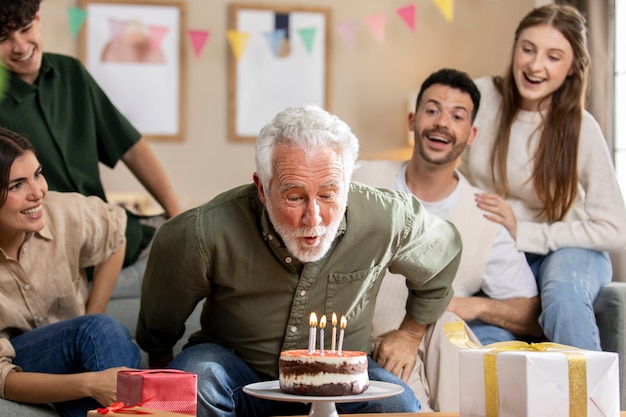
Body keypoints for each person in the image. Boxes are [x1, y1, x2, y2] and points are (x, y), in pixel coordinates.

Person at [136, 104, 463, 417]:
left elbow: (444, 250)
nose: (314, 217)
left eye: (328, 194)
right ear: (262, 189)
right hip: (236, 368)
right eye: (294, 196)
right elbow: (159, 325)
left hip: (343, 376)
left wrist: (410, 333)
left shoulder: (387, 217)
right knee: (193, 384)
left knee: (399, 405)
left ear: (347, 186)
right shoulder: (204, 232)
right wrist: (162, 373)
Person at [352, 68, 542, 411]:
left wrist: (473, 305)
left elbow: (531, 313)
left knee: (450, 326)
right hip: (351, 348)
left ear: (470, 134)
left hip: (432, 357)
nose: (442, 123)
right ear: (413, 120)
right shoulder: (359, 179)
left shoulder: (485, 218)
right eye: (432, 110)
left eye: (457, 116)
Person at [458, 4, 626, 351]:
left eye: (553, 56)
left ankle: (591, 405)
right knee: (486, 337)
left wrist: (525, 231)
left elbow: (614, 227)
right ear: (515, 46)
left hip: (569, 248)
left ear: (572, 68)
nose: (535, 66)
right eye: (528, 49)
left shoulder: (582, 129)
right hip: (501, 250)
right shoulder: (483, 97)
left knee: (563, 299)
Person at [0, 0, 183, 272]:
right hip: (42, 247)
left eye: (25, 29)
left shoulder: (71, 72)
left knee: (196, 239)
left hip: (108, 230)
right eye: (4, 38)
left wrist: (178, 216)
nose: (20, 46)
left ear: (38, 19)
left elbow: (130, 147)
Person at [0, 127, 141, 417]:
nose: (38, 192)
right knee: (99, 331)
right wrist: (90, 384)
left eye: (38, 174)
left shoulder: (62, 210)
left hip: (82, 350)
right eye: (17, 185)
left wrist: (93, 313)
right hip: (21, 361)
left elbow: (116, 233)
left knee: (101, 331)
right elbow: (3, 377)